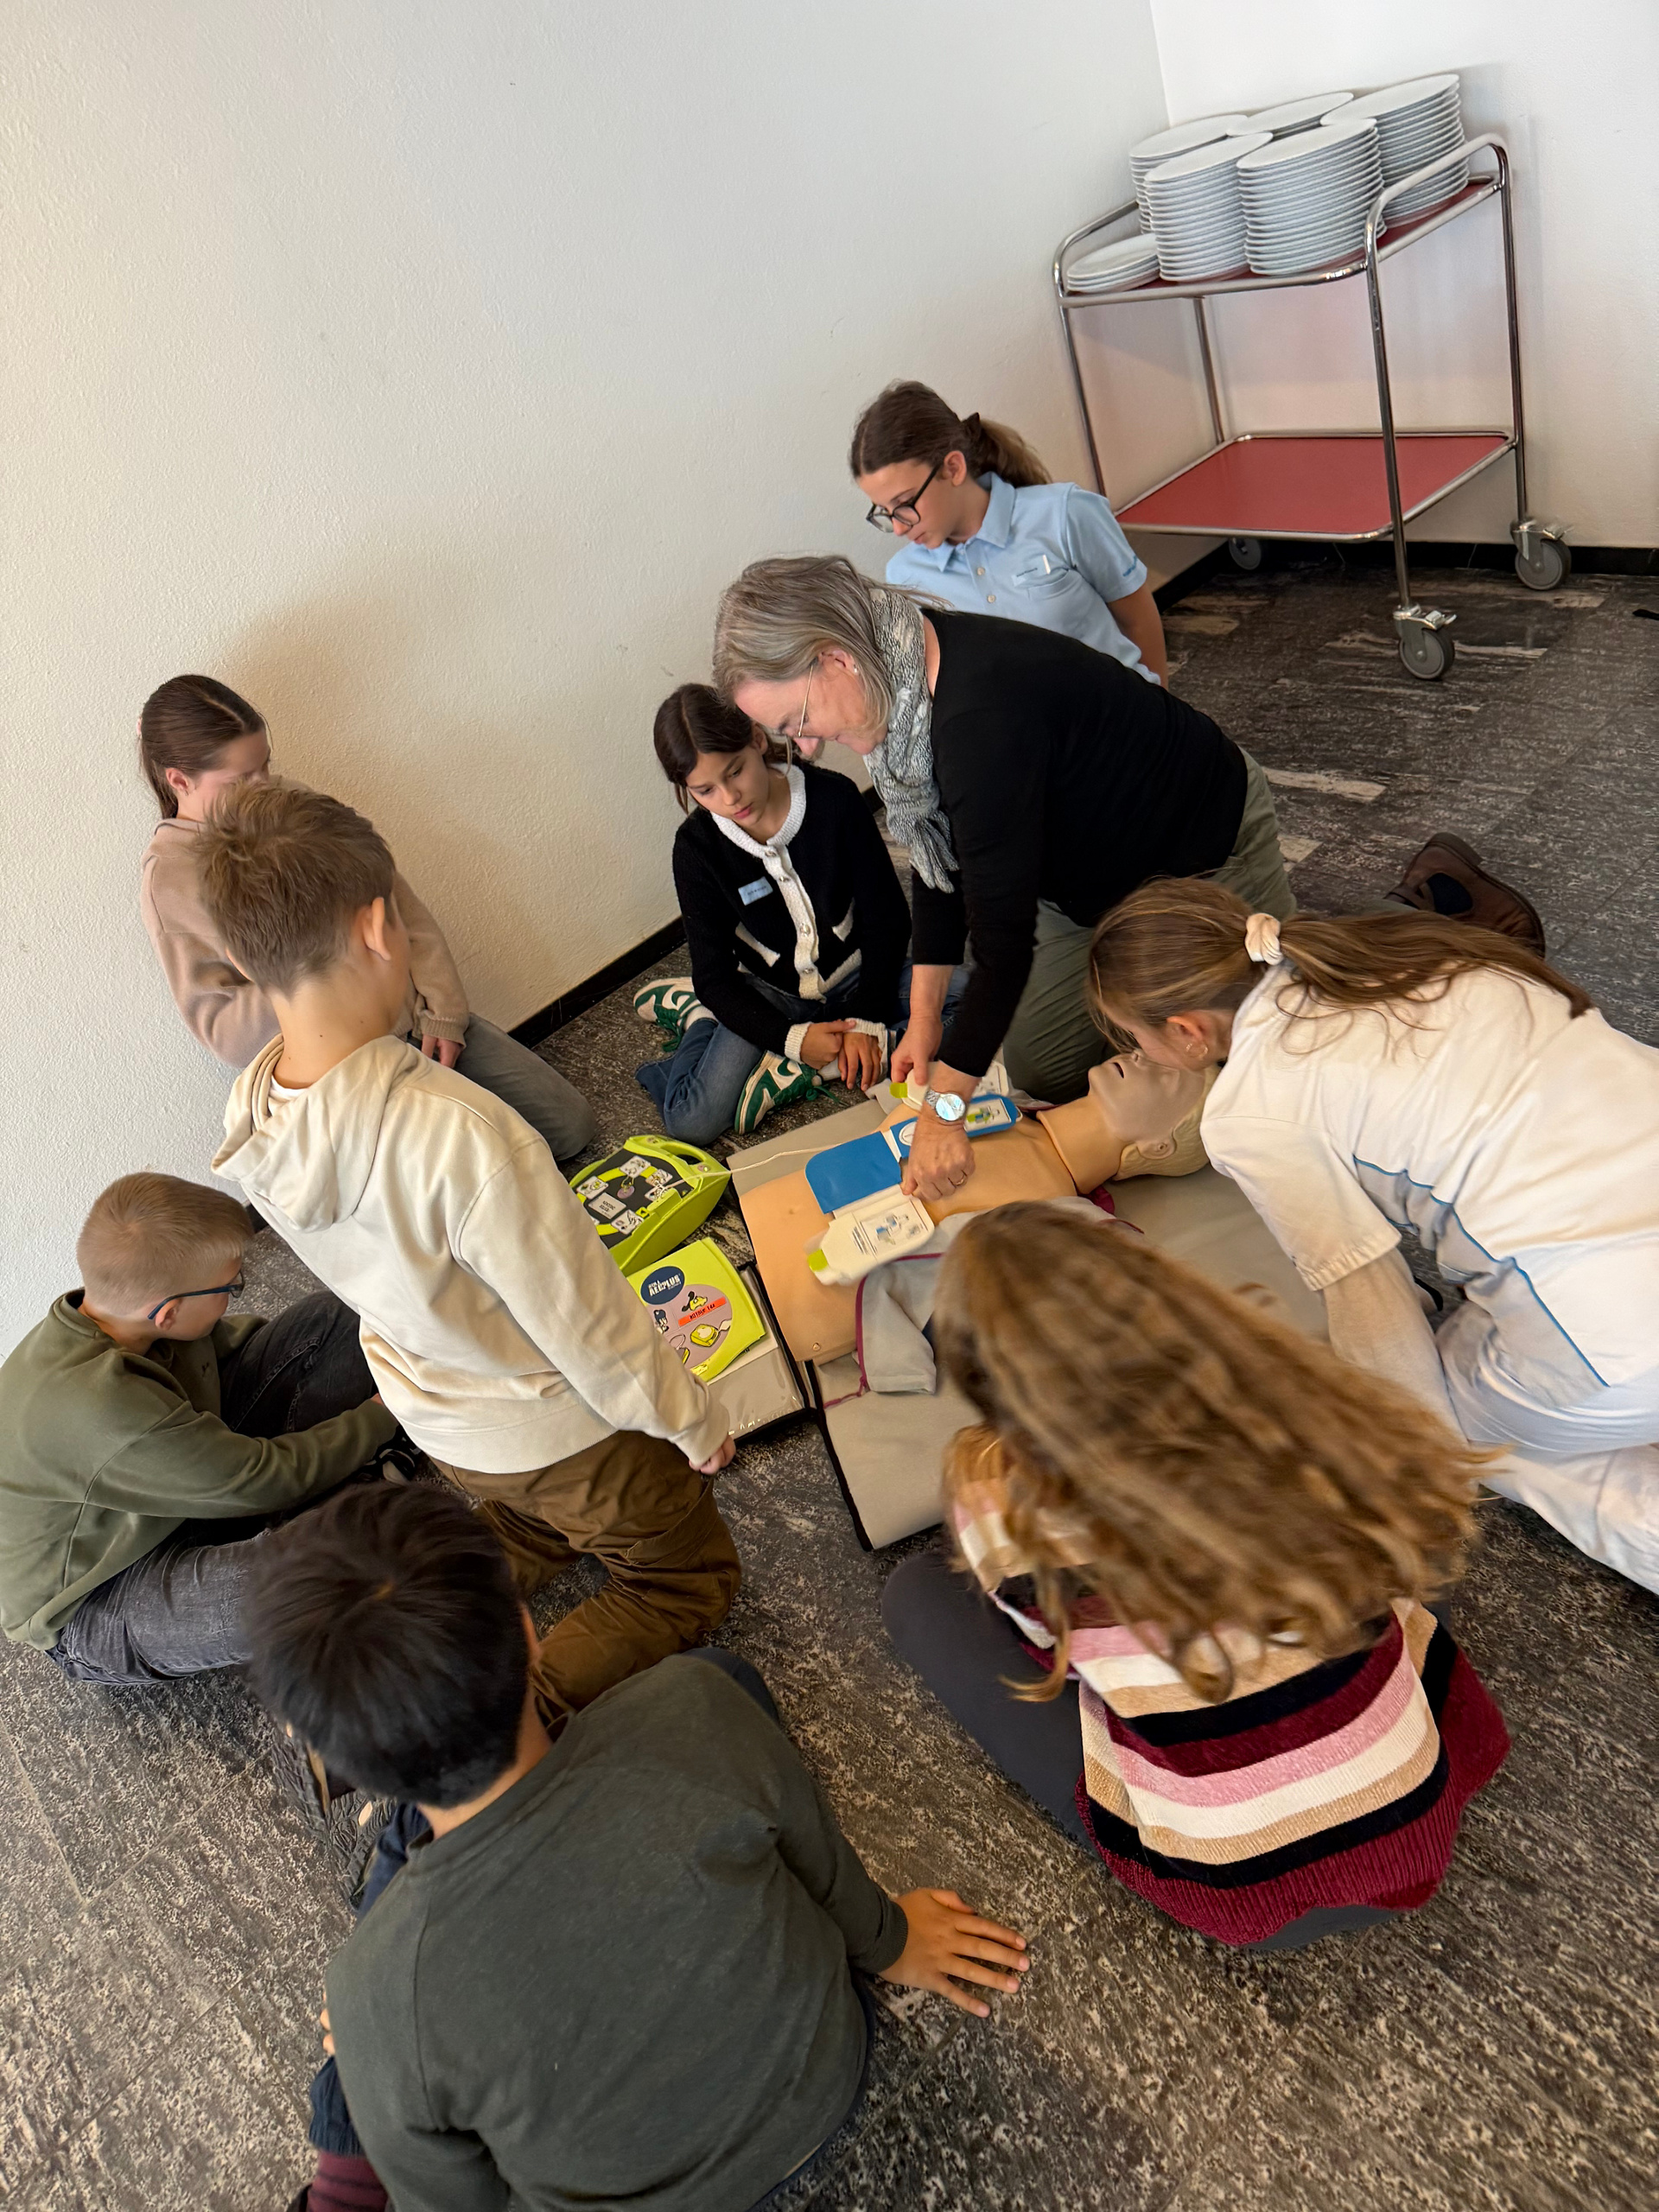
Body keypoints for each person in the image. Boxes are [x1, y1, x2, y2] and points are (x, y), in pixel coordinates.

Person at [245, 1484, 1029, 2212]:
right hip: (825, 2076)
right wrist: (891, 1940)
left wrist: (379, 2048)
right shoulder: (693, 1705)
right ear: (530, 1633)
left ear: (343, 1765)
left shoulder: (370, 1995)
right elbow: (817, 1855)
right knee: (723, 1675)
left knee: (393, 1939)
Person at [711, 557, 1544, 1191]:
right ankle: (1195, 1011)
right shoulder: (897, 686)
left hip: (1197, 846)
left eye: (800, 721)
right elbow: (941, 868)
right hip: (1080, 875)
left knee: (1284, 1015)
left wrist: (948, 1111)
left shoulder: (975, 719)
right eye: (787, 737)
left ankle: (1435, 909)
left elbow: (1000, 945)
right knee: (1044, 1064)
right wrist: (924, 1023)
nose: (806, 747)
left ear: (835, 660)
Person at [200, 779, 742, 1718]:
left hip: (444, 1420)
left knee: (535, 1519)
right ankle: (503, 1728)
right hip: (561, 1428)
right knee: (686, 1575)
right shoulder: (467, 1134)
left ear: (246, 958)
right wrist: (692, 1423)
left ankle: (397, 1642)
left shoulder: (254, 1111)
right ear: (380, 927)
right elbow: (593, 1331)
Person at [882, 1202, 1511, 1950]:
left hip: (1242, 1890)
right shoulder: (1298, 1397)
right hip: (1414, 1808)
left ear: (991, 1390)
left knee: (915, 1591)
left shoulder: (1000, 1508)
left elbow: (1049, 1652)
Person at [1086, 880, 1659, 1596]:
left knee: (1463, 1425)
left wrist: (1406, 1467)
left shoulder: (1252, 1113)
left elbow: (1371, 1301)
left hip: (1620, 1331)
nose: (1131, 1055)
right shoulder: (1415, 952)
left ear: (1187, 1031)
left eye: (1132, 1038)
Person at [137, 673, 596, 1162]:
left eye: (265, 765)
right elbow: (225, 1032)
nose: (263, 787)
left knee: (568, 1128)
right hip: (347, 1077)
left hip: (419, 1026)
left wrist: (444, 1013)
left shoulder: (290, 806)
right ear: (179, 780)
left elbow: (396, 902)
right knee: (466, 1172)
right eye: (241, 779)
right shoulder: (170, 882)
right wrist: (313, 966)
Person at [0, 1172, 392, 1685]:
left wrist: (294, 1359)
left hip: (167, 1489)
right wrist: (385, 1413)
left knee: (333, 1322)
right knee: (315, 1576)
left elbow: (224, 1347)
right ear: (167, 1312)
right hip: (99, 1594)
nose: (236, 1294)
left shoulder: (113, 1315)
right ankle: (312, 1506)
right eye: (232, 1287)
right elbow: (263, 1478)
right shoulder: (103, 1406)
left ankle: (303, 1503)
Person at [635, 683, 962, 1141]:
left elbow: (888, 920)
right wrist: (791, 1039)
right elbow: (714, 977)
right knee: (691, 1121)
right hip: (772, 995)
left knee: (982, 1001)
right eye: (705, 790)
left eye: (736, 771)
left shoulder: (834, 799)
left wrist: (866, 1021)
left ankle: (826, 1058)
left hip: (859, 974)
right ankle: (702, 1020)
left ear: (757, 739)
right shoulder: (696, 849)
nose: (730, 798)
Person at [849, 378, 1168, 684]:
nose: (898, 527)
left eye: (904, 503)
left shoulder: (1066, 513)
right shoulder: (905, 576)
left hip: (1122, 714)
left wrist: (1163, 710)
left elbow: (1137, 617)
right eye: (885, 511)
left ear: (953, 468)